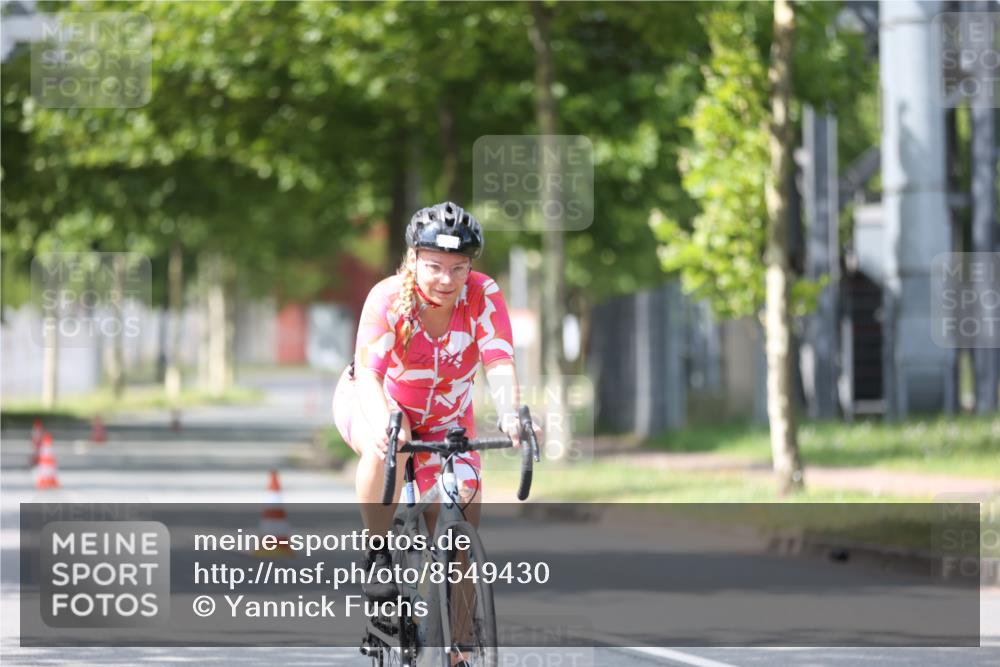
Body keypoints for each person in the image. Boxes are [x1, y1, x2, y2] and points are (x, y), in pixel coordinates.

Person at [332, 201, 539, 604]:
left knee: (459, 538)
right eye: (434, 266)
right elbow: (371, 376)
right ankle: (377, 552)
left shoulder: (484, 294)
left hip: (449, 418)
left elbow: (498, 361)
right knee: (393, 442)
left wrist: (512, 414)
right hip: (377, 401)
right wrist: (384, 425)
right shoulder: (387, 298)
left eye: (458, 267)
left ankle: (460, 653)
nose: (447, 279)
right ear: (413, 260)